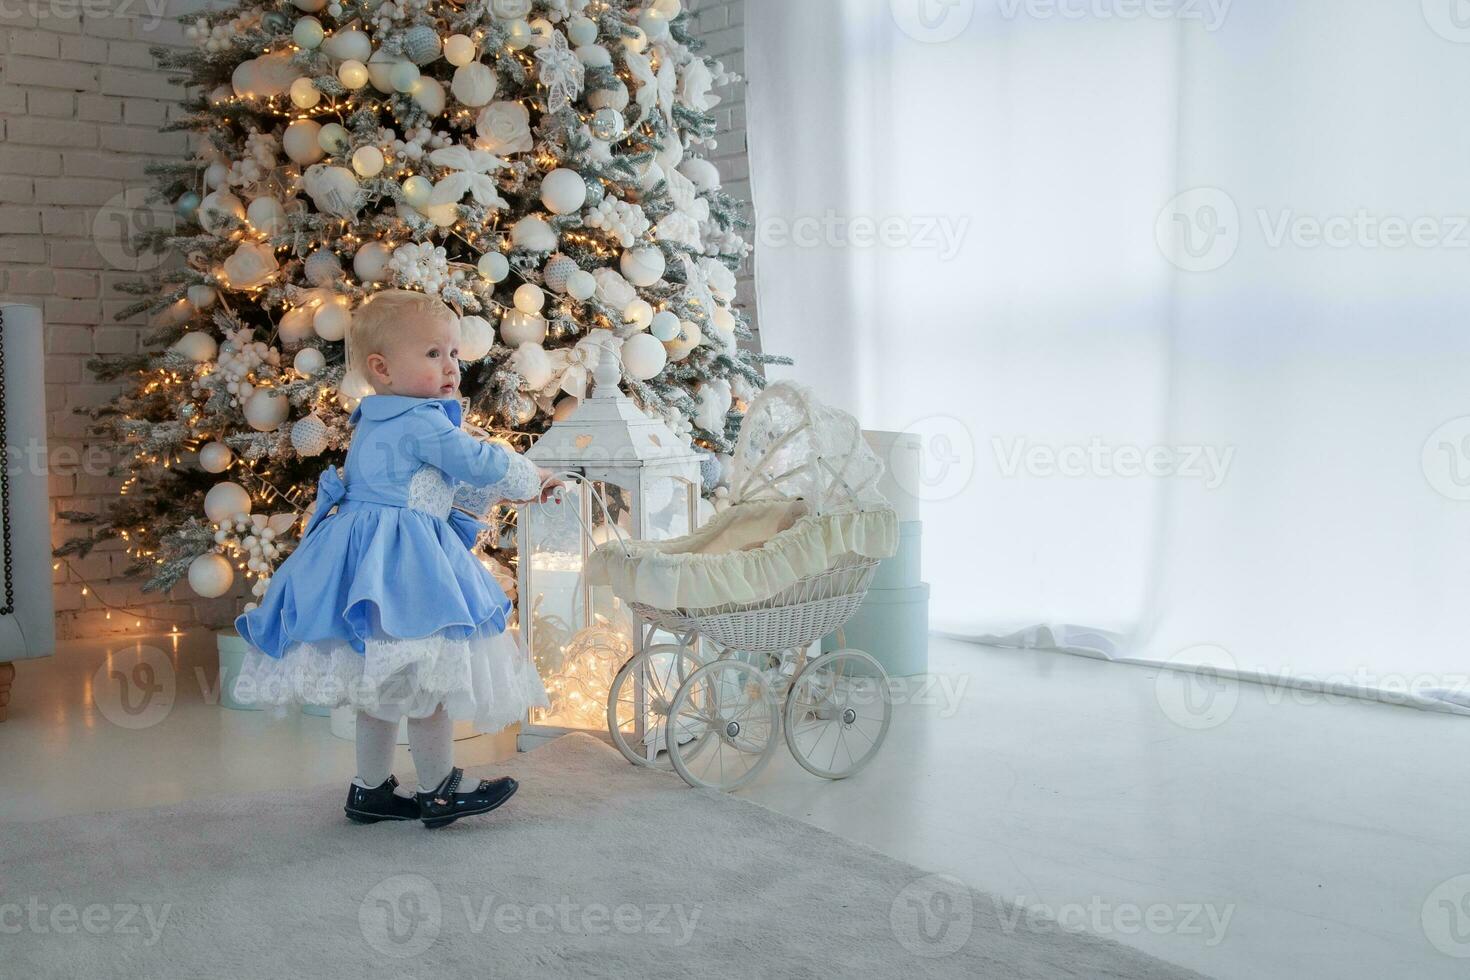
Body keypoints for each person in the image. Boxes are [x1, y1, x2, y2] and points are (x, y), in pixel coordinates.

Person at [235, 289, 559, 829]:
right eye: (433, 354)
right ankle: (438, 789)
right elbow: (473, 460)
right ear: (382, 369)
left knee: (384, 688)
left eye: (454, 353)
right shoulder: (421, 421)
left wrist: (508, 493)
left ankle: (370, 790)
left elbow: (433, 488)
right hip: (404, 570)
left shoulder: (378, 419)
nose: (452, 366)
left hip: (371, 561)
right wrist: (532, 477)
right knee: (425, 680)